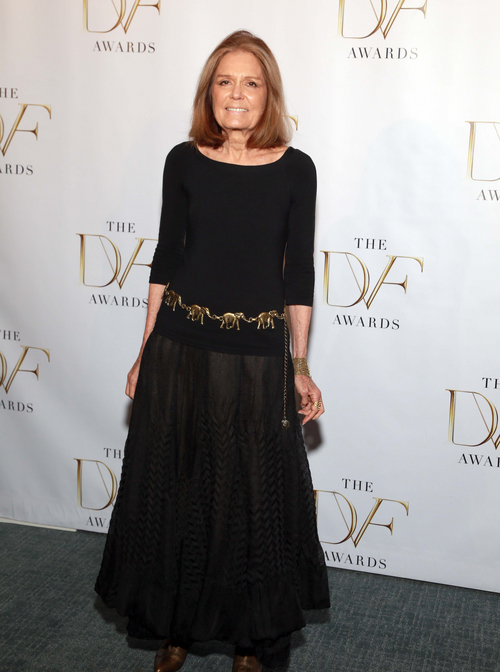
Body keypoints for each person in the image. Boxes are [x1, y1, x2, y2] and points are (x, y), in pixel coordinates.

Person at [95, 29, 330, 672]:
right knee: (178, 492)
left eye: (251, 82)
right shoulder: (183, 160)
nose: (237, 94)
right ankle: (177, 627)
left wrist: (300, 366)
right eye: (225, 81)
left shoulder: (296, 168)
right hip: (181, 347)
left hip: (257, 358)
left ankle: (249, 640)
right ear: (209, 91)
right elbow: (166, 257)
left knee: (251, 502)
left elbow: (298, 274)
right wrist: (144, 350)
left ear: (268, 94)